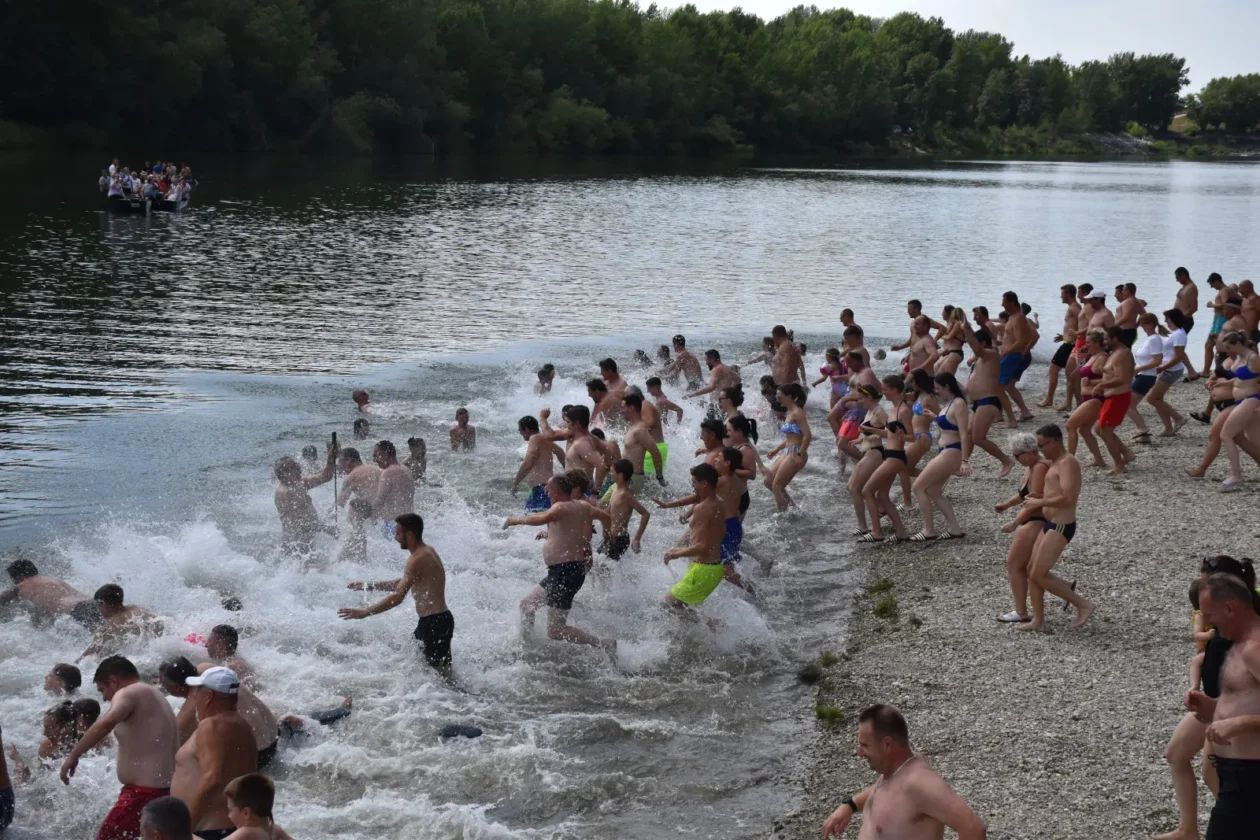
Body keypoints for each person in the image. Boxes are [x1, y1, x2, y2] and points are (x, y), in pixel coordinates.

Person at [821, 704, 986, 840]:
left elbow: (973, 828)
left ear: (887, 744)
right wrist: (850, 805)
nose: (859, 752)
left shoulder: (920, 783)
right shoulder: (894, 771)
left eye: (865, 745)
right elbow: (886, 790)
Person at [60, 656, 179, 840]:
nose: (104, 698)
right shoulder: (154, 695)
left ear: (114, 681)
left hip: (143, 794)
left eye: (103, 690)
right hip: (164, 792)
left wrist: (74, 754)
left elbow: (107, 722)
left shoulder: (129, 692)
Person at [503, 475, 615, 657]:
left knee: (556, 630)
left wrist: (514, 521)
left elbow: (539, 518)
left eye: (548, 489)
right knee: (527, 605)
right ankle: (527, 645)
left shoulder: (560, 507)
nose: (546, 492)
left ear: (555, 492)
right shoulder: (582, 506)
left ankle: (604, 643)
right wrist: (608, 534)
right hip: (563, 571)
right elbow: (605, 517)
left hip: (566, 572)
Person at [1185, 572, 1260, 840]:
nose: (1207, 622)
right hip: (1236, 776)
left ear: (1230, 608)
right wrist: (1214, 709)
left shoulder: (1254, 648)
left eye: (1209, 614)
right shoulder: (1238, 646)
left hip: (1250, 779)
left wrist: (1237, 723)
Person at [340, 514, 454, 681]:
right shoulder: (427, 551)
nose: (395, 537)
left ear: (409, 534)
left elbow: (398, 596)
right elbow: (403, 582)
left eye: (397, 533)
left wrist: (366, 612)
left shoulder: (415, 559)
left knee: (442, 678)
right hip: (437, 621)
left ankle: (469, 701)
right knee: (432, 674)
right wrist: (370, 585)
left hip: (434, 624)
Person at [1016, 425, 1095, 633]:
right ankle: (1038, 621)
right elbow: (1053, 490)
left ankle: (1083, 604)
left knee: (1039, 574)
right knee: (1031, 571)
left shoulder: (1068, 463)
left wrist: (1038, 503)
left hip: (1061, 524)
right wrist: (1038, 498)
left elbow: (1068, 498)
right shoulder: (1054, 462)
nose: (1039, 450)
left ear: (1053, 442)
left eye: (1041, 446)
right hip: (1051, 523)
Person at [170, 667, 258, 840]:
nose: (195, 698)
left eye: (198, 692)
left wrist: (183, 831)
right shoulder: (244, 726)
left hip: (209, 832)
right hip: (234, 829)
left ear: (209, 696)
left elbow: (212, 780)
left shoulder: (211, 726)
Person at [992, 434, 1050, 623]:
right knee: (1027, 566)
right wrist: (1007, 504)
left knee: (1015, 565)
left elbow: (1035, 501)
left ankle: (1021, 611)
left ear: (1030, 452)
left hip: (1036, 520)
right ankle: (1065, 587)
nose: (1016, 460)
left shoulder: (1040, 468)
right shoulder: (1032, 467)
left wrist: (1015, 523)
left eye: (1018, 456)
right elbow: (1023, 495)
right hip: (1032, 518)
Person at [909, 373, 970, 542]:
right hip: (946, 451)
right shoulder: (949, 404)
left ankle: (928, 530)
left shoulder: (958, 403)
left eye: (937, 388)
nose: (936, 392)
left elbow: (964, 434)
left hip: (952, 451)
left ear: (947, 387)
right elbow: (950, 425)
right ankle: (954, 528)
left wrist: (964, 461)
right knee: (933, 490)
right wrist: (935, 417)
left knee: (918, 487)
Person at [662, 464, 727, 612]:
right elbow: (719, 534)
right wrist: (680, 549)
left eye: (694, 483)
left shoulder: (701, 509)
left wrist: (675, 554)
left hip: (702, 571)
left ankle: (712, 626)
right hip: (714, 569)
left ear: (704, 484)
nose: (692, 487)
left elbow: (701, 546)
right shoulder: (720, 503)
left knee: (664, 606)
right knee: (681, 606)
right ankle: (709, 628)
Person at [959, 316, 1016, 476]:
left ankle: (1006, 460)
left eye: (975, 344)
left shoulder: (991, 354)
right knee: (970, 434)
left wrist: (966, 329)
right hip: (978, 402)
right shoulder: (981, 359)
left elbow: (977, 349)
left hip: (989, 401)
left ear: (982, 343)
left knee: (978, 438)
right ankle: (963, 462)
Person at [272, 448, 336, 555]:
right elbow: (300, 523)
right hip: (295, 546)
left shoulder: (299, 483)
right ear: (282, 474)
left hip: (305, 543)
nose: (298, 468)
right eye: (292, 468)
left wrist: (330, 459)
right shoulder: (284, 493)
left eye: (296, 465)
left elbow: (325, 477)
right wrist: (327, 529)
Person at [1218, 330, 1260, 491]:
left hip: (1251, 400)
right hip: (1242, 400)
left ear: (1237, 344)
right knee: (1257, 440)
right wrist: (1224, 384)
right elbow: (1242, 378)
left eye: (1229, 347)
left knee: (1226, 435)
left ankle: (1236, 476)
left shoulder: (1253, 357)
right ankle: (1237, 475)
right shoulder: (1241, 358)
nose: (1228, 351)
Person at [1093, 326, 1136, 475]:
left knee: (1105, 432)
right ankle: (1127, 453)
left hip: (1118, 397)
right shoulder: (1114, 353)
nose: (1104, 341)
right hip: (1111, 397)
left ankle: (1119, 466)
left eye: (1106, 338)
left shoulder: (1122, 355)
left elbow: (1121, 379)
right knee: (1099, 429)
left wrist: (1101, 384)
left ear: (1115, 339)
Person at [82, 584, 164, 660]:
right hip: (160, 647)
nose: (97, 609)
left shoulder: (109, 626)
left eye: (98, 605)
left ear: (104, 604)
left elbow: (89, 655)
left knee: (104, 652)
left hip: (142, 655)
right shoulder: (138, 609)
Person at [1065, 329, 1108, 469]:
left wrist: (1091, 383)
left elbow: (1109, 379)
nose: (1086, 344)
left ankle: (1069, 461)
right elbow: (1074, 375)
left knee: (1070, 425)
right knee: (1083, 430)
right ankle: (1099, 460)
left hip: (1096, 398)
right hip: (1088, 397)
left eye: (1088, 342)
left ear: (1097, 343)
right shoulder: (1092, 356)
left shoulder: (1102, 358)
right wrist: (1082, 358)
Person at [1, 558, 90, 625]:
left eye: (13, 579)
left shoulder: (22, 585)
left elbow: (2, 598)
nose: (14, 583)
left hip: (76, 612)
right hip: (92, 604)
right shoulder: (54, 580)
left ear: (21, 576)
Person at [763, 383, 810, 511]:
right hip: (787, 451)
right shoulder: (789, 411)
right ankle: (792, 509)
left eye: (780, 397)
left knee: (776, 486)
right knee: (769, 481)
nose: (777, 399)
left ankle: (783, 515)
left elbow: (807, 436)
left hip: (796, 453)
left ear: (789, 396)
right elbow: (792, 436)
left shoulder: (797, 412)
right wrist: (777, 449)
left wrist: (800, 455)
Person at [541, 405, 606, 491]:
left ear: (577, 424)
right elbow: (549, 435)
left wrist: (596, 491)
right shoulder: (586, 438)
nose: (566, 425)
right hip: (576, 490)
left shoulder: (582, 444)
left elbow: (601, 464)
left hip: (581, 492)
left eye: (568, 422)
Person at [996, 291, 1035, 426]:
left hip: (1011, 356)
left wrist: (1006, 352)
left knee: (999, 387)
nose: (1002, 304)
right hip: (1009, 355)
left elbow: (1020, 341)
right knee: (1007, 386)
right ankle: (1024, 412)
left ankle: (1010, 419)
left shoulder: (1019, 318)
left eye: (1004, 302)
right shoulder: (1013, 316)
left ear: (1012, 303)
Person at [1040, 284, 1081, 408]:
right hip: (1069, 343)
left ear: (1068, 294)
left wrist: (1074, 337)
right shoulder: (1074, 307)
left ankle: (1049, 399)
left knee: (1053, 369)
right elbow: (1076, 325)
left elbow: (1085, 321)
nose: (1060, 296)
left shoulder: (1074, 308)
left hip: (1069, 345)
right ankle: (1068, 403)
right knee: (1069, 375)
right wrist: (1064, 336)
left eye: (1062, 294)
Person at [1126, 313, 1165, 442]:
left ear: (1149, 324)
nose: (1141, 326)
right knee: (1130, 404)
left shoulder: (1154, 339)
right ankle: (1143, 434)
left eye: (1142, 323)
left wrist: (1138, 369)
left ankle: (1143, 430)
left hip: (1146, 376)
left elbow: (1157, 360)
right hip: (1143, 376)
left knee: (1128, 405)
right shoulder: (1150, 339)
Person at [512, 415, 564, 511]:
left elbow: (528, 463)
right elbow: (560, 452)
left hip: (541, 490)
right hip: (546, 488)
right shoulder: (545, 439)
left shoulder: (535, 438)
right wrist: (567, 470)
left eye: (521, 431)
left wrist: (515, 483)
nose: (520, 433)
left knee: (532, 521)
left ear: (527, 429)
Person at [220, 773, 294, 840]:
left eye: (230, 810)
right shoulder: (275, 830)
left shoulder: (247, 833)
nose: (229, 816)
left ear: (246, 813)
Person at [601, 459, 651, 560]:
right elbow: (607, 512)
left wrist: (637, 538)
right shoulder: (616, 490)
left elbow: (646, 514)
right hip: (612, 537)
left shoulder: (625, 494)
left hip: (619, 539)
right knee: (600, 568)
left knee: (603, 569)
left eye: (612, 471)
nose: (610, 473)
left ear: (620, 475)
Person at [617, 394, 664, 492]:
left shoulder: (640, 430)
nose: (620, 412)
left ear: (631, 408)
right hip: (626, 478)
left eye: (622, 408)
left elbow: (656, 453)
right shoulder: (633, 427)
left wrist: (659, 476)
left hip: (633, 479)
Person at [1202, 273, 1234, 378]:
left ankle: (1217, 371)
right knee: (1209, 345)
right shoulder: (1223, 290)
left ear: (1217, 281)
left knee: (1216, 345)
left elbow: (1226, 305)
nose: (1212, 287)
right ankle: (1207, 370)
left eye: (1212, 284)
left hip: (1221, 320)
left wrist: (1212, 305)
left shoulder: (1224, 290)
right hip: (1217, 320)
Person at [206, 625, 255, 690]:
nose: (206, 645)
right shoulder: (233, 662)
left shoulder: (234, 665)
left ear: (220, 645)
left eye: (209, 641)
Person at [1173, 266, 1200, 377]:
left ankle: (1191, 371)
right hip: (1178, 320)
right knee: (1174, 345)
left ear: (1183, 275)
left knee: (1176, 346)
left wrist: (1181, 318)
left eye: (1178, 277)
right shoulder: (1185, 287)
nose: (1177, 280)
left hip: (1185, 321)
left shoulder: (1192, 288)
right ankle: (1187, 370)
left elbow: (1194, 308)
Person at [1114, 282, 1145, 348]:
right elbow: (1144, 314)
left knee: (1123, 351)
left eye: (1123, 290)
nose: (1122, 291)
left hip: (1125, 331)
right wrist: (1136, 325)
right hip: (1130, 330)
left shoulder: (1129, 301)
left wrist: (1113, 326)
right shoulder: (1136, 301)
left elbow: (1126, 317)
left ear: (1128, 291)